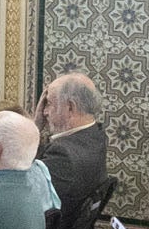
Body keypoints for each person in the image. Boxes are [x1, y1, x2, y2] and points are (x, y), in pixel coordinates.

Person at [34, 69, 107, 207]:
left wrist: (34, 128)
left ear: (70, 107)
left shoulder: (62, 155)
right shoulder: (97, 135)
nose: (44, 112)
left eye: (48, 103)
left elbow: (23, 191)